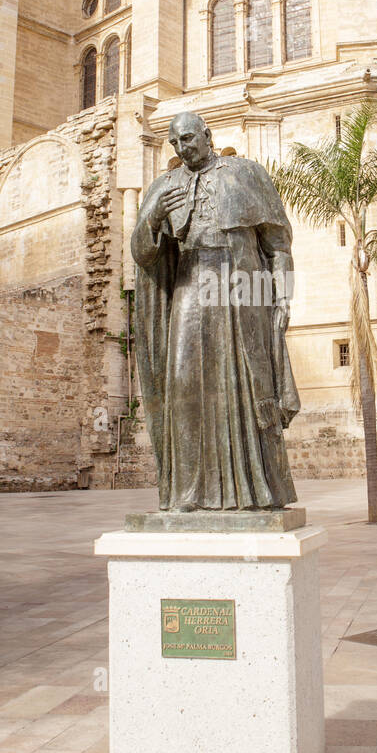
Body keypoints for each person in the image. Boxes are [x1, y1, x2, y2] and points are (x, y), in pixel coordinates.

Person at [131, 111, 299, 511]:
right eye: (174, 143)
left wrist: (282, 297)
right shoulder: (165, 185)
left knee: (247, 381)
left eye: (188, 139)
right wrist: (154, 218)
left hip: (242, 284)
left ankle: (257, 491)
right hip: (191, 281)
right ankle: (187, 492)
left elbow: (277, 242)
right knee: (183, 381)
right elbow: (142, 254)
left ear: (207, 135)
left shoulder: (246, 173)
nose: (182, 148)